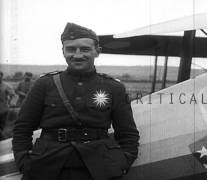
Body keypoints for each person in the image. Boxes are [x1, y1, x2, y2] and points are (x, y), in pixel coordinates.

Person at [12, 23, 140, 180]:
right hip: (46, 166)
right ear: (63, 52)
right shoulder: (45, 84)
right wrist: (24, 162)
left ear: (97, 52)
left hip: (99, 169)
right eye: (71, 49)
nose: (78, 55)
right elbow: (22, 128)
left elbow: (128, 134)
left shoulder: (114, 87)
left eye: (85, 49)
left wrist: (122, 163)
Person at [0, 71, 15, 139]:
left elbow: (14, 96)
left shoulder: (6, 86)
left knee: (1, 126)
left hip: (3, 110)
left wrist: (11, 103)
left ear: (2, 77)